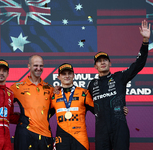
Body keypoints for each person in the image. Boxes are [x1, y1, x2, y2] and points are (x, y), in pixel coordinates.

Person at [87, 20, 151, 150]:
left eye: (105, 60)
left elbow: (138, 65)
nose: (103, 63)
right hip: (101, 132)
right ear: (95, 66)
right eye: (99, 61)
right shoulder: (92, 85)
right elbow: (83, 103)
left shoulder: (119, 77)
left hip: (119, 129)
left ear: (110, 63)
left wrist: (145, 41)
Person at [9, 55, 54, 150]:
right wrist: (17, 118)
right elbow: (2, 104)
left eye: (41, 66)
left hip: (45, 135)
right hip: (25, 135)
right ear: (29, 66)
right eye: (35, 65)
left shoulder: (50, 88)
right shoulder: (16, 87)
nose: (38, 68)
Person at [51, 63, 94, 150]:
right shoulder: (54, 95)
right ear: (58, 77)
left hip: (80, 138)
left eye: (69, 73)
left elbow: (99, 111)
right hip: (62, 138)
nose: (67, 76)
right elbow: (43, 116)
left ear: (73, 75)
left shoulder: (84, 93)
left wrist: (118, 109)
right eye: (63, 74)